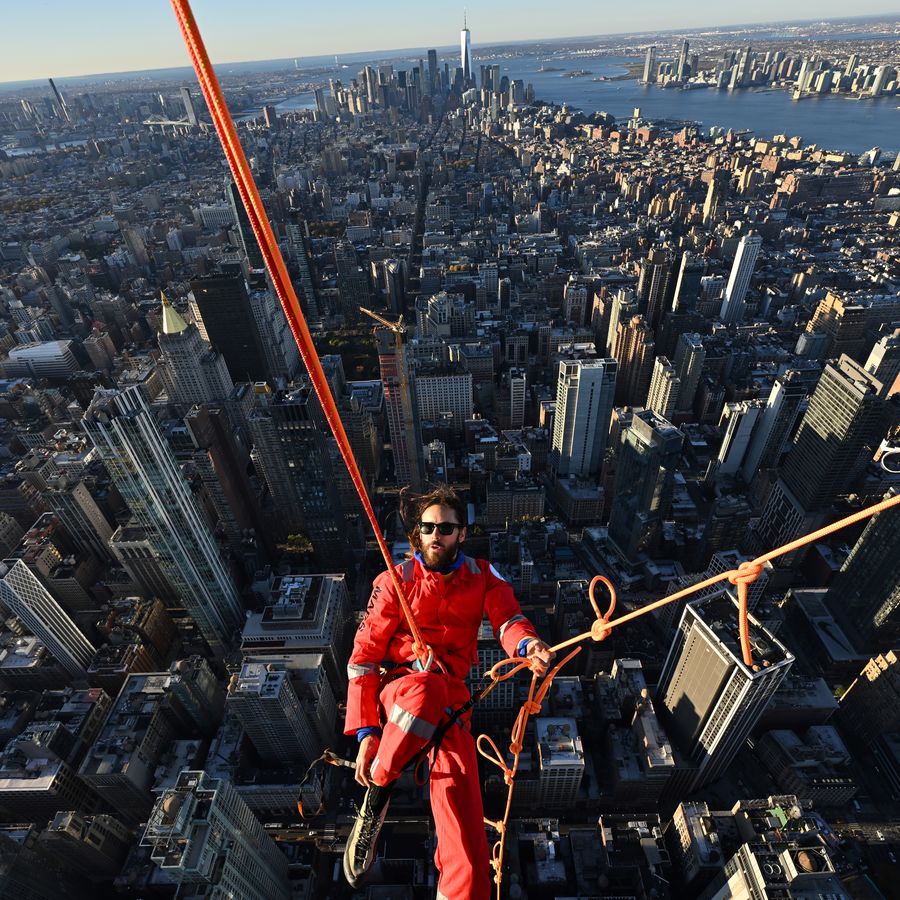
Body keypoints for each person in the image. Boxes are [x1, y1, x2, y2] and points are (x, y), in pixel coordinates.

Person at [342, 485, 555, 898]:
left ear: (462, 533)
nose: (435, 534)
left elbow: (507, 618)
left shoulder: (482, 577)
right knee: (426, 690)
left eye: (446, 527)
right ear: (417, 534)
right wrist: (367, 735)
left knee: (471, 853)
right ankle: (378, 793)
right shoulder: (394, 581)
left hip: (453, 708)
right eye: (427, 527)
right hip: (402, 688)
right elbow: (364, 657)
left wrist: (527, 645)